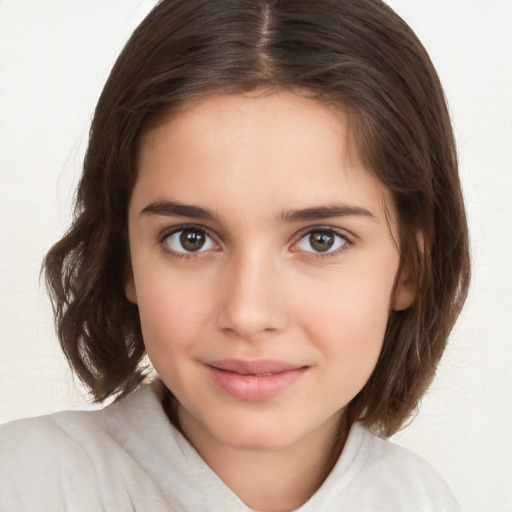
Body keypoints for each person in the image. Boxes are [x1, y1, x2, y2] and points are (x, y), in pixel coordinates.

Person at [0, 0, 470, 510]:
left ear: (411, 267)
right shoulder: (24, 484)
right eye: (191, 238)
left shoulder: (422, 499)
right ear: (124, 258)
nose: (248, 314)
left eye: (320, 239)